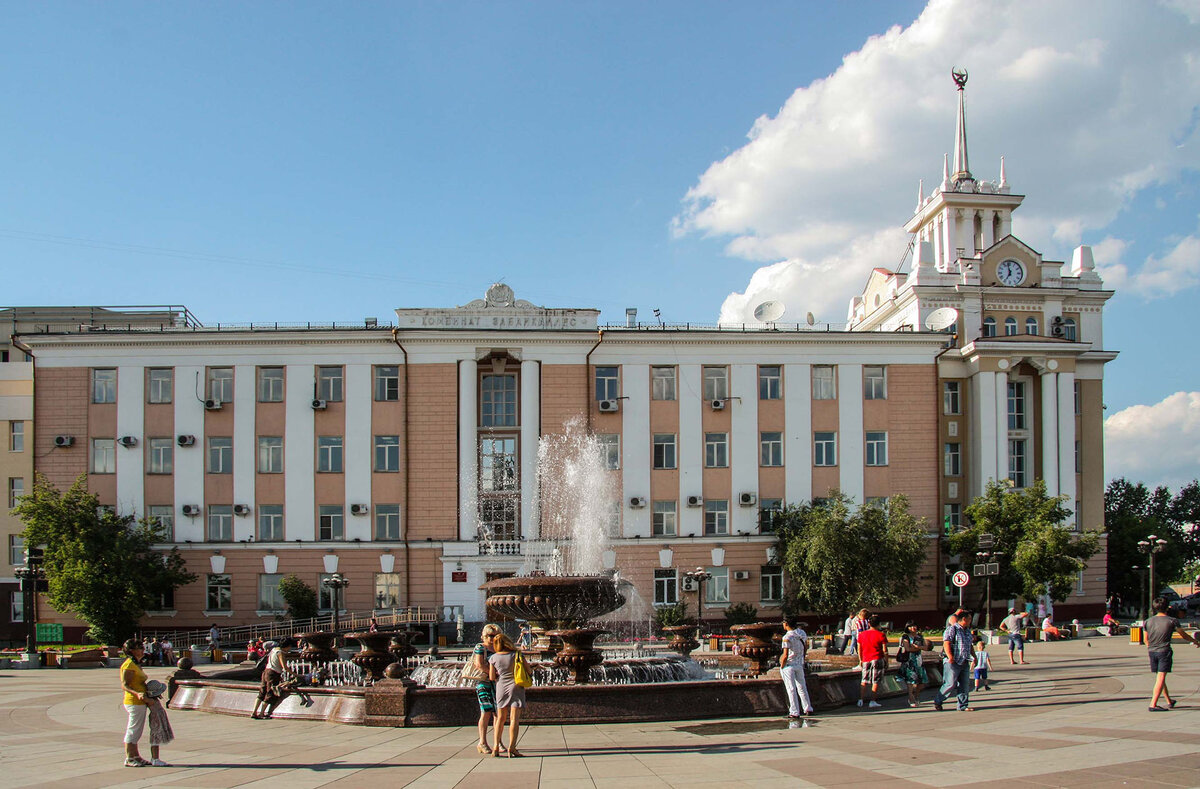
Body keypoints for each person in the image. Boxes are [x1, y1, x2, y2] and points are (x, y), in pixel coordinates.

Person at [1145, 596, 1200, 712]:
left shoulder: (1148, 621)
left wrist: (1152, 647)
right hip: (1164, 651)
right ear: (1168, 607)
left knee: (1160, 677)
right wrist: (1194, 641)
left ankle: (1169, 701)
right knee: (1161, 677)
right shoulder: (1172, 620)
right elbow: (1183, 635)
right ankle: (1153, 704)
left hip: (1152, 651)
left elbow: (1146, 640)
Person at [488, 631, 526, 757]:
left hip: (501, 687)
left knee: (500, 718)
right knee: (514, 719)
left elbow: (492, 677)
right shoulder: (517, 654)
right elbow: (528, 670)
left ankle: (495, 748)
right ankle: (512, 748)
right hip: (516, 686)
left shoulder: (493, 658)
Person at [119, 638, 154, 767]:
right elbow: (125, 685)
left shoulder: (136, 664)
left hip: (141, 701)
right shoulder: (129, 665)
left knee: (137, 730)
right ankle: (129, 757)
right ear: (132, 651)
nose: (143, 650)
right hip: (134, 701)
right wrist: (138, 693)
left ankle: (136, 756)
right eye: (140, 648)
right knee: (133, 729)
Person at [934, 610, 975, 712]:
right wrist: (950, 656)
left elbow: (970, 645)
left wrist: (974, 657)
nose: (971, 621)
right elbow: (946, 643)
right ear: (964, 619)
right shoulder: (952, 629)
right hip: (952, 662)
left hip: (964, 661)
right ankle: (938, 700)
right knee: (950, 683)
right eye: (969, 619)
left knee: (964, 685)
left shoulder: (967, 631)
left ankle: (963, 705)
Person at [472, 624, 502, 753]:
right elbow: (479, 664)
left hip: (497, 684)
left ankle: (498, 742)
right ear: (485, 635)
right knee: (486, 711)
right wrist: (493, 674)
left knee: (498, 713)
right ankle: (482, 742)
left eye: (495, 636)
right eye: (490, 636)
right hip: (483, 682)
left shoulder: (498, 648)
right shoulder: (480, 647)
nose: (492, 638)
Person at [779, 616, 814, 718]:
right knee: (802, 687)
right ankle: (808, 708)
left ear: (786, 624)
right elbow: (805, 647)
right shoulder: (802, 634)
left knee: (791, 689)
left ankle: (794, 712)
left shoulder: (786, 637)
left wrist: (782, 665)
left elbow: (785, 655)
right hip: (799, 663)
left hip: (789, 665)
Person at [251, 639, 292, 719]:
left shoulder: (274, 649)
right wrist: (295, 674)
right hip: (273, 674)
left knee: (262, 692)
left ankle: (254, 712)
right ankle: (262, 713)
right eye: (290, 647)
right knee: (270, 693)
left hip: (266, 671)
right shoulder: (280, 653)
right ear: (287, 646)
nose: (290, 649)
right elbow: (284, 667)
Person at [855, 615, 888, 709]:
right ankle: (872, 701)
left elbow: (859, 648)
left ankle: (860, 700)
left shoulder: (862, 634)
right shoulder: (881, 634)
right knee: (876, 680)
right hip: (878, 658)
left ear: (868, 623)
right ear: (879, 624)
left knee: (864, 679)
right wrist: (886, 661)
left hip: (866, 659)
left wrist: (860, 659)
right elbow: (885, 650)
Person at [897, 621, 929, 707]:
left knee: (922, 681)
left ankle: (916, 696)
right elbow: (907, 649)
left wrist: (917, 647)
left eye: (914, 626)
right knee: (910, 680)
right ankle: (911, 697)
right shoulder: (905, 636)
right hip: (909, 661)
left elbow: (926, 647)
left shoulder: (920, 636)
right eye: (910, 626)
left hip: (918, 661)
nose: (913, 628)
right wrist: (917, 649)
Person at [144, 679, 173, 767]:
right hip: (156, 720)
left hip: (159, 718)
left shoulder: (154, 699)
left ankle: (155, 758)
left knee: (157, 739)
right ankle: (155, 758)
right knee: (155, 739)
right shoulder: (151, 701)